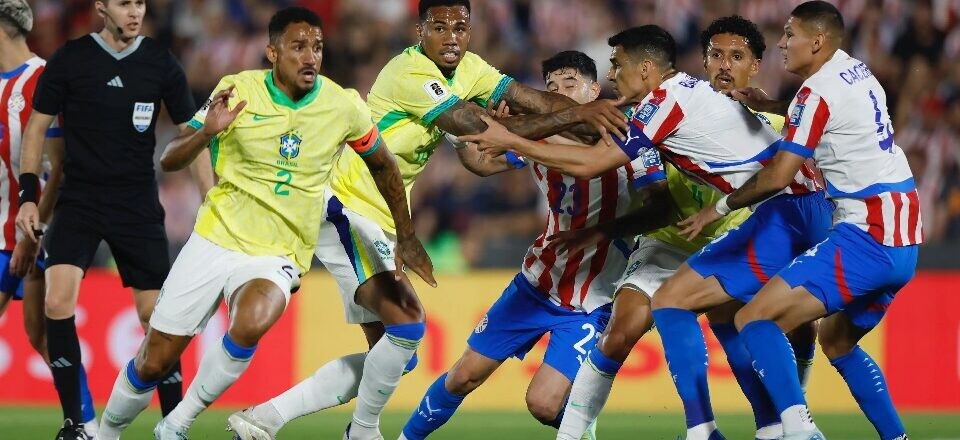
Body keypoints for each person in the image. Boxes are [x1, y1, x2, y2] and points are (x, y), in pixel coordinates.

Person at [226, 2, 626, 439]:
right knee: (411, 324)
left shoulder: (471, 68)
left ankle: (265, 417)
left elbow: (527, 102)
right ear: (420, 31)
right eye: (439, 27)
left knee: (396, 352)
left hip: (375, 217)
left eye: (460, 27)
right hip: (346, 206)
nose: (451, 36)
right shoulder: (409, 73)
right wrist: (575, 113)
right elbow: (477, 129)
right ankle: (362, 432)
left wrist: (573, 113)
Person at [459, 25, 830, 440]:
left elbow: (592, 161)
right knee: (690, 314)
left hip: (775, 211)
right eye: (716, 56)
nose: (612, 73)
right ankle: (766, 427)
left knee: (749, 319)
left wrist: (509, 136)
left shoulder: (668, 103)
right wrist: (508, 132)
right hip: (749, 219)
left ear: (646, 68)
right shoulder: (681, 97)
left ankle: (781, 425)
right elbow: (589, 135)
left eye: (617, 64)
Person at [94, 7, 434, 440]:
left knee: (254, 319)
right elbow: (169, 158)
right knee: (154, 362)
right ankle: (105, 433)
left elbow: (383, 165)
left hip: (279, 252)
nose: (310, 57)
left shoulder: (342, 104)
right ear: (272, 52)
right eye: (298, 47)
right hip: (215, 238)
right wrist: (205, 132)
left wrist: (405, 234)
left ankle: (176, 423)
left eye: (317, 48)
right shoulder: (238, 91)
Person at [682, 2, 921, 439]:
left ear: (818, 41)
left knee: (754, 319)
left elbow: (778, 176)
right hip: (904, 235)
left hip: (868, 232)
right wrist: (770, 103)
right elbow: (824, 116)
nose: (782, 44)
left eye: (790, 35)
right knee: (837, 342)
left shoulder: (815, 94)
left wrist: (718, 208)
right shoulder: (855, 70)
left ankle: (798, 431)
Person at [387, 50, 642, 440]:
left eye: (569, 85)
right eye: (552, 88)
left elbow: (585, 153)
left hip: (592, 300)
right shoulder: (533, 134)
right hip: (537, 282)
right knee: (463, 376)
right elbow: (484, 163)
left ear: (594, 90)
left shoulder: (623, 138)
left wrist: (510, 129)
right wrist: (460, 135)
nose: (560, 93)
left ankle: (581, 426)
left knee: (543, 403)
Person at [15, 0, 207, 438]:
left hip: (136, 205)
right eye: (124, 4)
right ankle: (74, 424)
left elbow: (191, 133)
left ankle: (173, 422)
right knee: (57, 301)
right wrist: (29, 196)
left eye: (140, 3)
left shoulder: (160, 63)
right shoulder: (71, 59)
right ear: (102, 7)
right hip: (78, 202)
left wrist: (210, 199)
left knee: (156, 318)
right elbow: (37, 128)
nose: (135, 12)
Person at [0, 1, 99, 438]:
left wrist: (34, 228)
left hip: (32, 231)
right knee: (40, 335)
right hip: (5, 228)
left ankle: (88, 426)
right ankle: (88, 427)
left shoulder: (43, 80)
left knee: (44, 335)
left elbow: (59, 165)